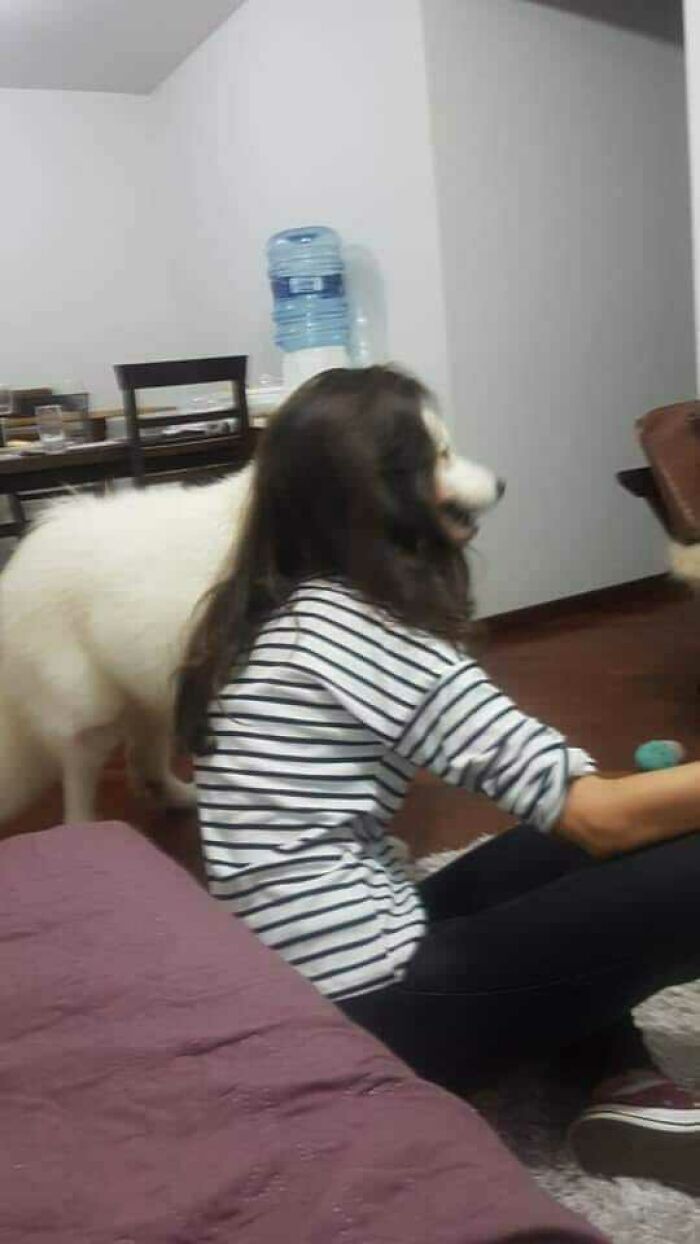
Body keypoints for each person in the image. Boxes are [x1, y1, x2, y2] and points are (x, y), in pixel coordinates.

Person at [176, 365, 699, 1195]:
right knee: (650, 848)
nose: (468, 479)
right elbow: (603, 819)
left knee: (556, 855)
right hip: (372, 1011)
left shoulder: (281, 608)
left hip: (322, 970)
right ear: (376, 496)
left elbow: (574, 819)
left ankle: (626, 1083)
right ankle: (613, 1067)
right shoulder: (355, 630)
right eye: (440, 457)